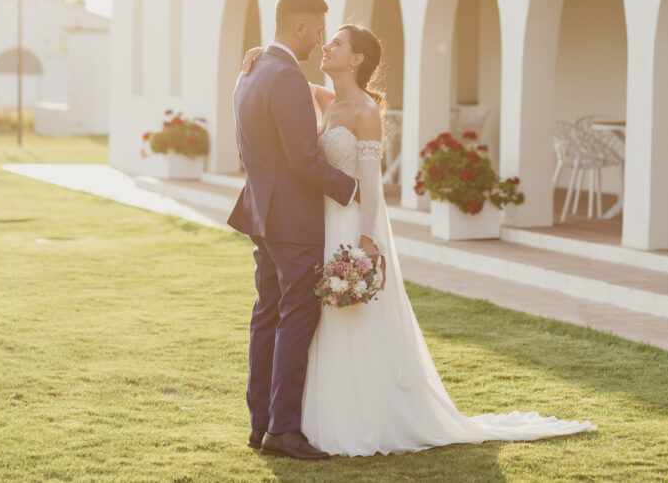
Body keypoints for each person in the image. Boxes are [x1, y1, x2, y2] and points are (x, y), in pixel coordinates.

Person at [240, 22, 596, 457]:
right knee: (318, 321)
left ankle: (363, 416)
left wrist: (367, 241)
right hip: (321, 223)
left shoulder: (366, 112)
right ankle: (308, 418)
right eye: (326, 39)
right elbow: (283, 77)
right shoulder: (325, 97)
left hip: (350, 224)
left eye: (336, 43)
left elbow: (370, 187)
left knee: (351, 320)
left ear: (356, 59)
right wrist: (263, 51)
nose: (325, 46)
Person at [228, 0, 374, 461]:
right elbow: (303, 159)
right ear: (299, 27)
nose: (319, 42)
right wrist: (353, 192)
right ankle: (284, 429)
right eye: (316, 32)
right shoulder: (285, 77)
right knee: (297, 314)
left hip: (261, 213)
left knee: (267, 312)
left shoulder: (249, 72)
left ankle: (261, 423)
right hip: (291, 219)